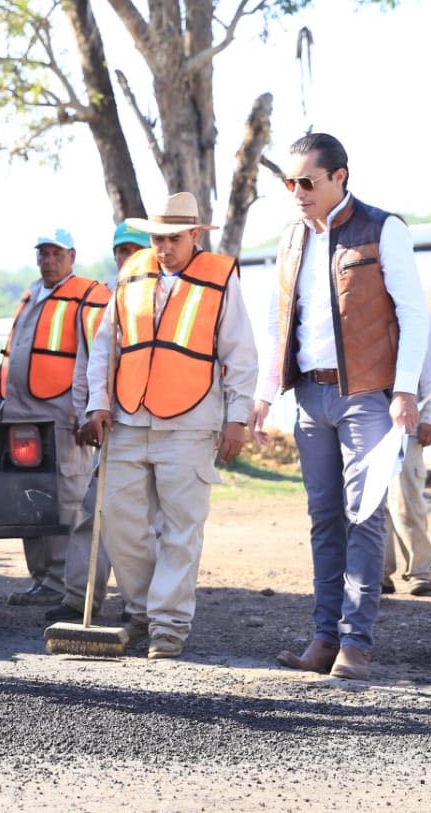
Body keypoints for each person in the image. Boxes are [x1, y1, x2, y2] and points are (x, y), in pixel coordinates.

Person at [249, 133, 430, 681]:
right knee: (324, 520)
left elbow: (414, 314)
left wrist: (404, 390)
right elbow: (280, 321)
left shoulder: (382, 229)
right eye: (289, 182)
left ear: (339, 177)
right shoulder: (289, 240)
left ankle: (357, 642)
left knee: (364, 516)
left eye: (307, 181)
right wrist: (263, 393)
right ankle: (324, 638)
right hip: (309, 397)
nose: (297, 192)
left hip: (366, 396)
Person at [81, 193, 258, 659]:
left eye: (173, 239)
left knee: (182, 528)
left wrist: (236, 418)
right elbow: (106, 346)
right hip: (126, 418)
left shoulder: (221, 278)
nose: (164, 247)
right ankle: (142, 609)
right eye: (157, 238)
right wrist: (96, 403)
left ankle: (168, 627)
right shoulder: (130, 274)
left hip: (191, 422)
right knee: (120, 521)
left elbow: (240, 353)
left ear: (195, 236)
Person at [44, 222, 149, 624]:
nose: (126, 258)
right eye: (121, 250)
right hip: (108, 423)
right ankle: (78, 600)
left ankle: (141, 607)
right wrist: (83, 411)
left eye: (134, 250)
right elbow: (85, 363)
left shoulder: (164, 296)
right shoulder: (101, 299)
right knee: (91, 511)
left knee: (144, 520)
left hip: (152, 424)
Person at [1, 229, 108, 607]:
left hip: (62, 416)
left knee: (69, 496)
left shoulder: (88, 295)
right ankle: (42, 579)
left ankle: (66, 581)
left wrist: (88, 412)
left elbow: (97, 359)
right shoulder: (33, 294)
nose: (48, 260)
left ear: (72, 256)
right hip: (21, 415)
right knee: (30, 497)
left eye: (55, 254)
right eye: (43, 253)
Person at [382, 323, 431, 596]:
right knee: (371, 502)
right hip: (369, 422)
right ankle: (377, 573)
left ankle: (421, 570)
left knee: (406, 498)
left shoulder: (416, 315)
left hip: (408, 423)